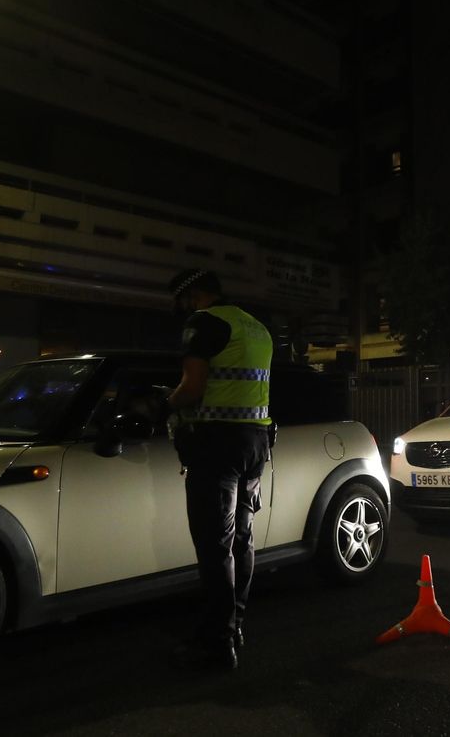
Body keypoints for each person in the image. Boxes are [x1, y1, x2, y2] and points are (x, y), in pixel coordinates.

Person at [163, 268, 274, 671]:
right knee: (241, 541)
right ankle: (235, 625)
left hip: (217, 446)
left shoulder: (204, 323)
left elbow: (192, 387)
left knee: (214, 546)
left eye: (182, 301)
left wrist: (162, 405)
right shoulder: (257, 327)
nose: (183, 309)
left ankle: (216, 642)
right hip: (256, 444)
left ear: (193, 295)